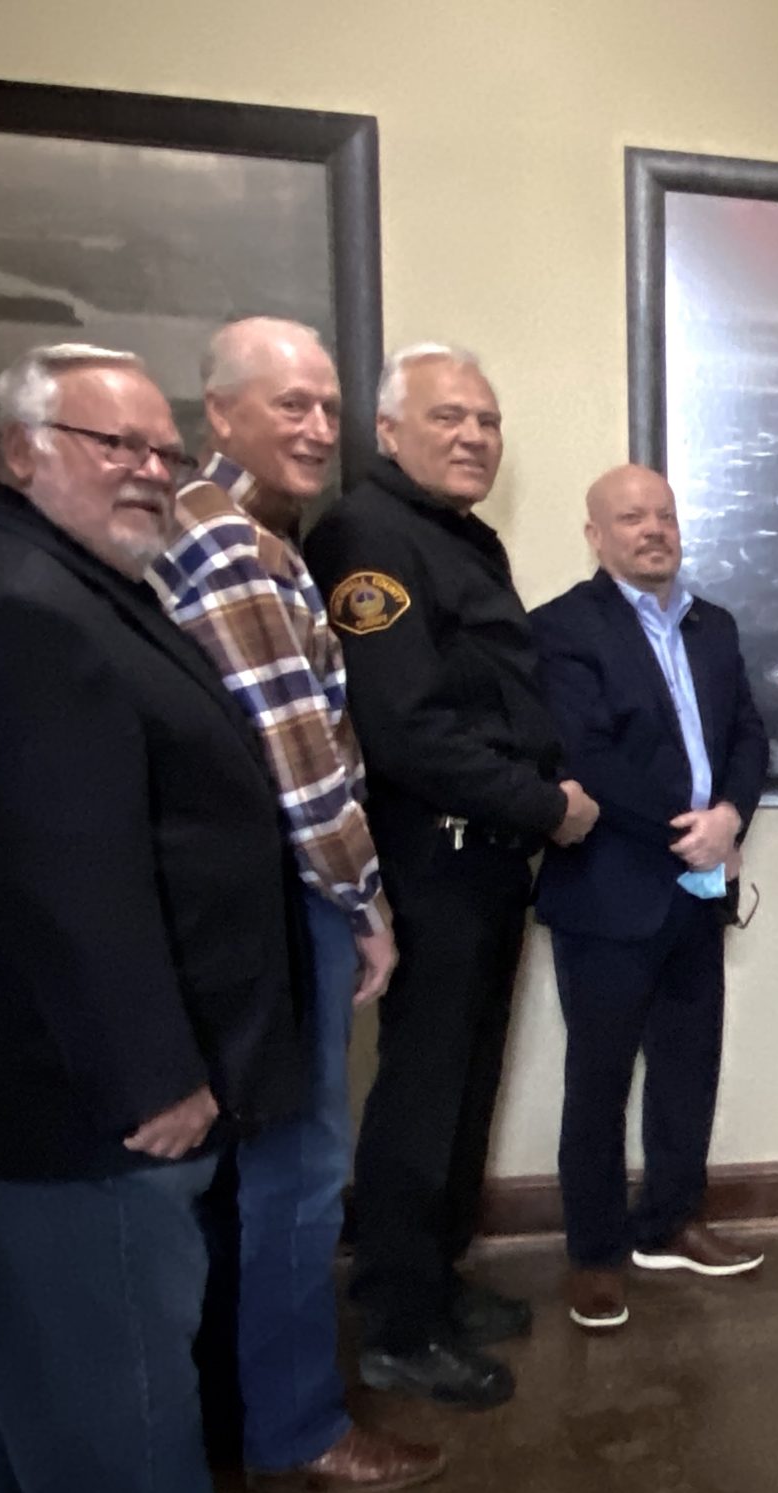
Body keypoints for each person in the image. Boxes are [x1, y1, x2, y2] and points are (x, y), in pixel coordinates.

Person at [0, 345, 305, 1493]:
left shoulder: (71, 579)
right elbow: (62, 876)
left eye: (163, 449)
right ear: (23, 452)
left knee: (29, 1422)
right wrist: (153, 1074)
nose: (154, 470)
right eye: (120, 446)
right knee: (123, 1429)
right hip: (88, 1119)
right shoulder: (20, 605)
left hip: (56, 1103)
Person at [150, 318, 443, 1490]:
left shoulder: (213, 529)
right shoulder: (239, 549)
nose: (317, 428)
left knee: (255, 1169)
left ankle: (240, 1407)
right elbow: (299, 756)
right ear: (217, 413)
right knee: (297, 1173)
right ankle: (298, 1428)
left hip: (238, 905)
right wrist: (364, 900)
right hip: (287, 904)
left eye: (327, 405)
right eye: (292, 405)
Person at [306, 344, 600, 1408]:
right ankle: (397, 1317)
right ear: (388, 432)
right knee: (422, 1095)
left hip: (484, 857)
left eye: (488, 419)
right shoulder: (368, 537)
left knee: (467, 1082)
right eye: (448, 418)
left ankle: (438, 1273)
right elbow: (404, 729)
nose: (475, 435)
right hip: (434, 853)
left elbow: (488, 698)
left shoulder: (455, 538)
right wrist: (545, 804)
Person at [530, 464, 772, 1332]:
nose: (653, 529)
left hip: (699, 893)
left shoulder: (715, 626)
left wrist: (733, 816)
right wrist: (692, 830)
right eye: (631, 517)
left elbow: (748, 732)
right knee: (596, 1081)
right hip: (610, 892)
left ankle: (671, 1219)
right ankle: (595, 1255)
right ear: (596, 535)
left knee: (686, 1066)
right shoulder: (559, 629)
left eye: (664, 515)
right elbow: (583, 754)